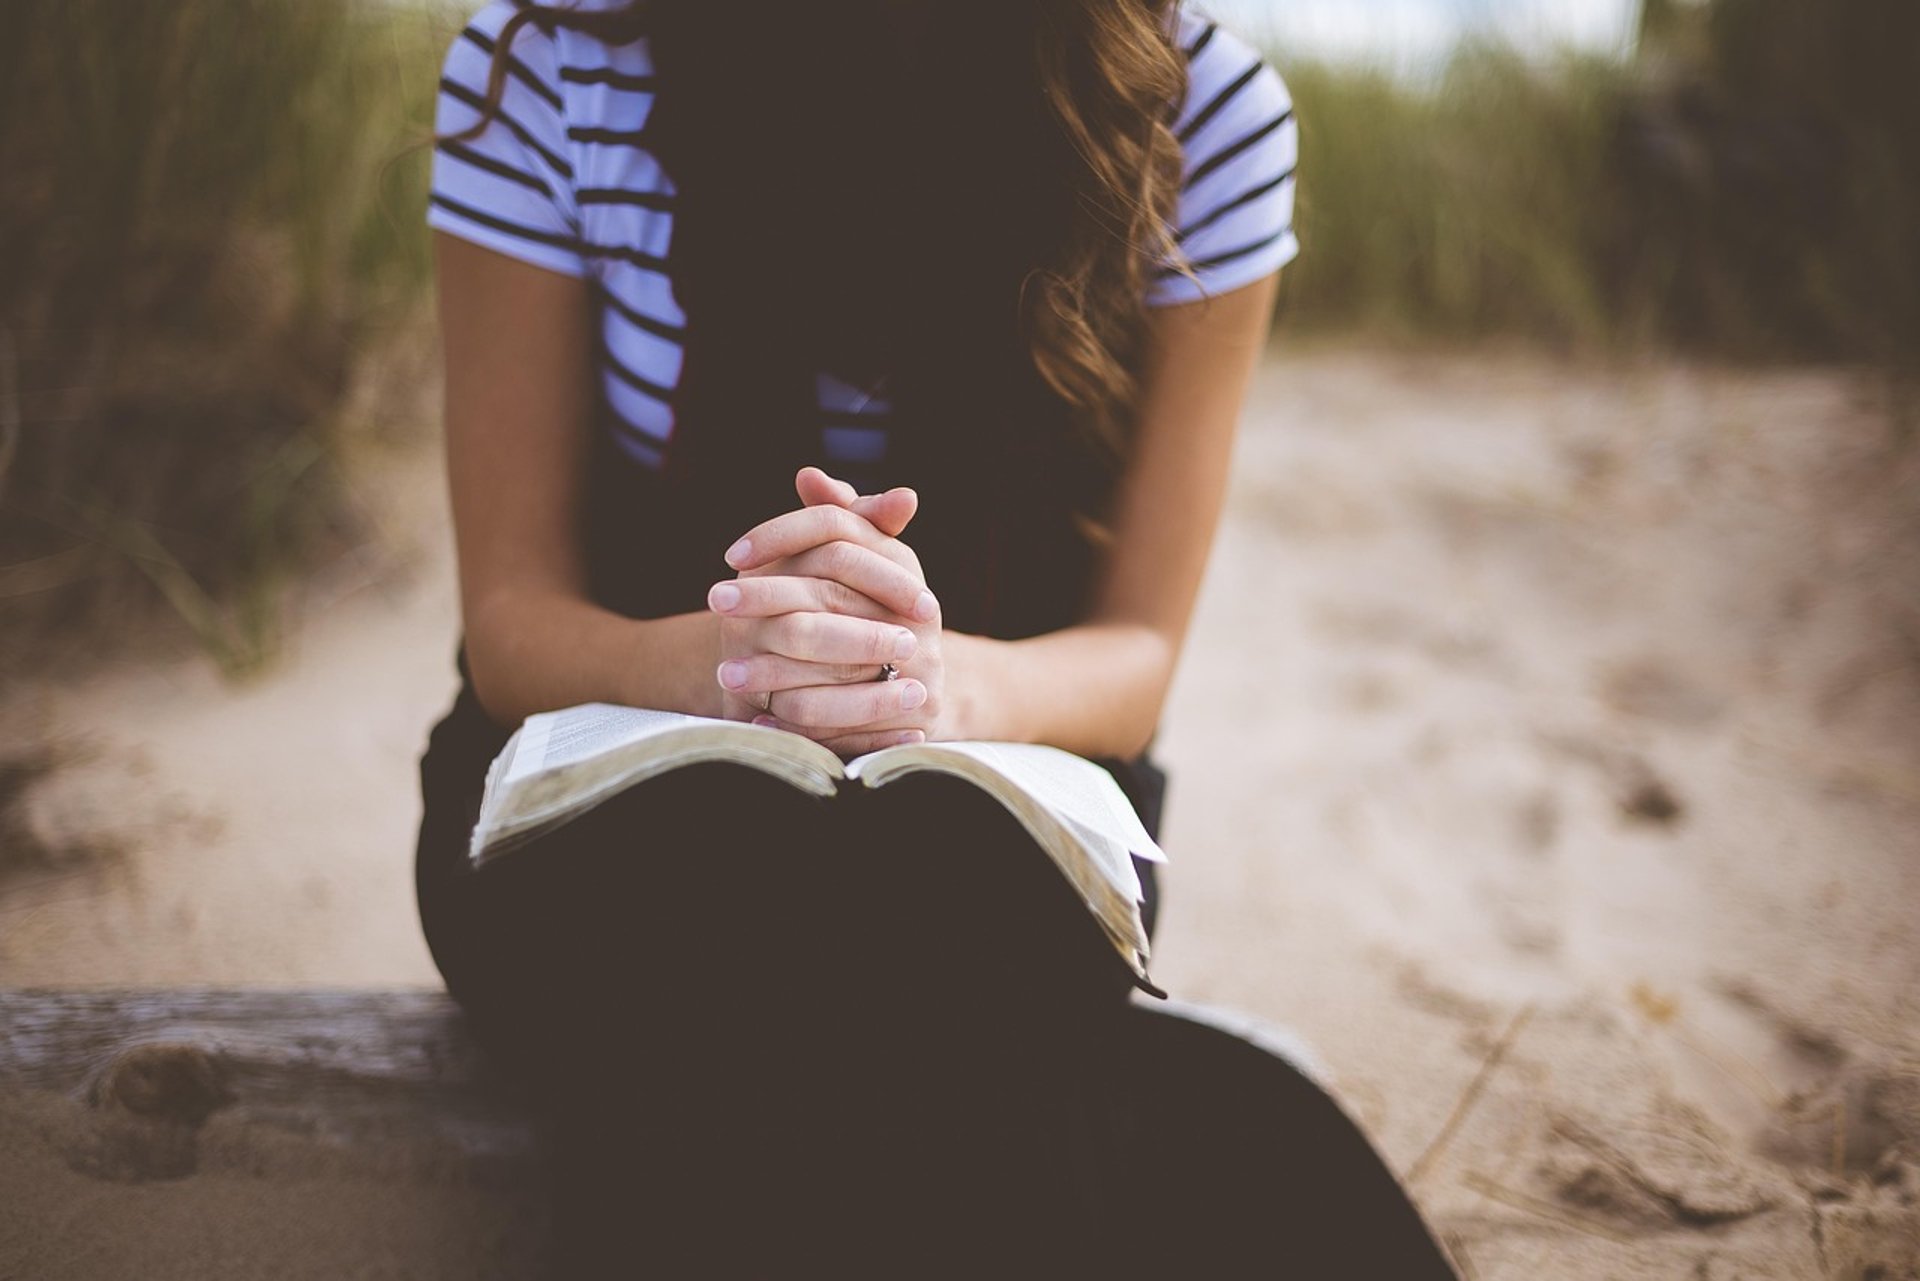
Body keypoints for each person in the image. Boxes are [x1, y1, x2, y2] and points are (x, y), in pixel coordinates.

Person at [412, 0, 1459, 1275]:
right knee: (717, 930)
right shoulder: (560, 62)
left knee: (945, 925)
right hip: (600, 769)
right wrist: (746, 667)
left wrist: (928, 685)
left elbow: (1135, 657)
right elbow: (513, 625)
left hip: (1004, 788)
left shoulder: (1200, 117)